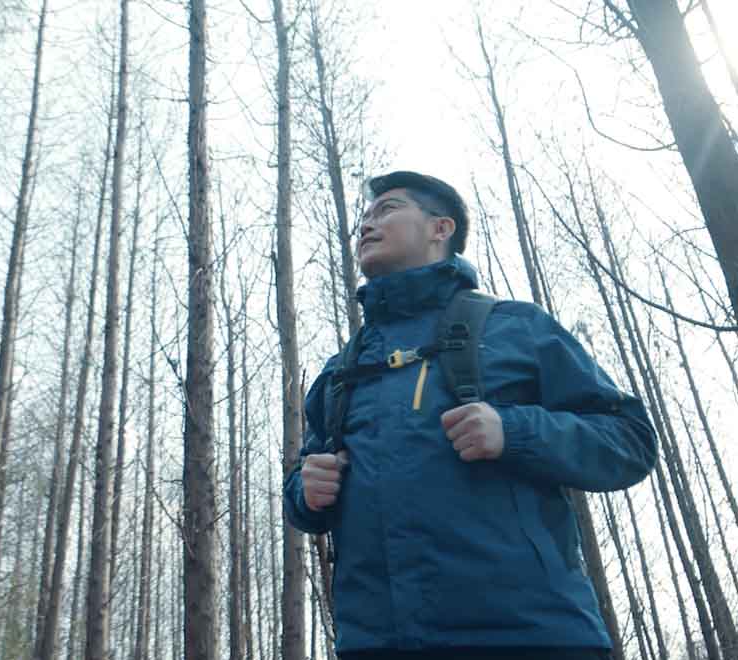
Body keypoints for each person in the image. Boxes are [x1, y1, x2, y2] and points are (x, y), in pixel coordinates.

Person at [282, 171, 658, 660]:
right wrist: (306, 492)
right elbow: (305, 486)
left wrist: (514, 431)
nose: (367, 225)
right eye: (365, 216)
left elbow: (630, 440)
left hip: (531, 637)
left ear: (440, 228)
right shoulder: (340, 371)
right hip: (375, 643)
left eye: (387, 209)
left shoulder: (516, 327)